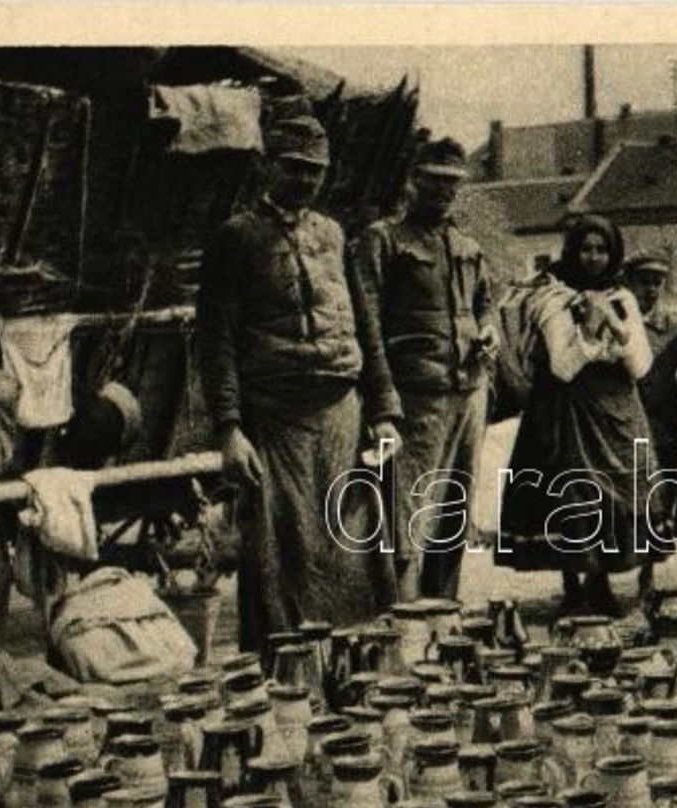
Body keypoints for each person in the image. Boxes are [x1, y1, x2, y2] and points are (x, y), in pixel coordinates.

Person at [197, 115, 400, 651]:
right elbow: (216, 340)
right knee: (278, 549)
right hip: (276, 415)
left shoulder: (333, 235)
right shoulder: (235, 238)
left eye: (315, 171)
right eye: (294, 168)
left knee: (352, 543)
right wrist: (229, 429)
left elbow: (364, 323)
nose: (305, 180)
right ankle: (286, 673)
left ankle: (357, 666)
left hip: (342, 411)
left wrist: (383, 409)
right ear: (267, 165)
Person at [351, 137, 500, 602]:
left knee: (454, 512)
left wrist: (490, 329)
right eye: (434, 182)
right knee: (408, 514)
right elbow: (367, 325)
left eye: (452, 184)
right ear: (414, 181)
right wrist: (384, 402)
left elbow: (486, 303)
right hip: (416, 399)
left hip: (468, 395)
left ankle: (445, 616)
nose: (443, 192)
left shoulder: (467, 246)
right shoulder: (384, 240)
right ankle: (404, 621)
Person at [494, 215, 658, 617]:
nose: (594, 258)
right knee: (572, 492)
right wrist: (587, 329)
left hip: (618, 407)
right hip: (568, 408)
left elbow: (640, 365)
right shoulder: (553, 298)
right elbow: (563, 365)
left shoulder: (624, 297)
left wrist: (617, 328)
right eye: (586, 249)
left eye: (602, 250)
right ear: (572, 251)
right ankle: (573, 586)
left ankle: (601, 582)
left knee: (621, 493)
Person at [623, 247, 677, 600]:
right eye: (643, 282)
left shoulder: (674, 332)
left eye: (657, 282)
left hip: (662, 428)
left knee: (659, 503)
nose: (650, 290)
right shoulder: (619, 324)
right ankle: (601, 574)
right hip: (622, 428)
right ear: (629, 283)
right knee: (620, 500)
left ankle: (648, 574)